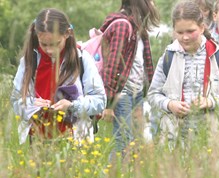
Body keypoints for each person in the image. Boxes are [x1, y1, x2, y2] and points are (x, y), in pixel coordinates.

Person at [147, 1, 219, 146]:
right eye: (180, 32)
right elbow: (152, 95)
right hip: (175, 141)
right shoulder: (168, 56)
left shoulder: (218, 56)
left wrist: (210, 102)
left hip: (212, 141)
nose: (185, 37)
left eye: (190, 31)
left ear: (201, 27)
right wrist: (170, 104)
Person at [11, 8, 106, 144]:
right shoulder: (29, 61)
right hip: (37, 139)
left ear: (67, 34)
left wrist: (72, 106)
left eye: (55, 44)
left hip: (74, 139)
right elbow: (16, 99)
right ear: (37, 36)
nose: (49, 50)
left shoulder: (82, 59)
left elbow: (100, 100)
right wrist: (31, 105)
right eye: (44, 44)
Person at [100, 0, 160, 157]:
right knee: (123, 140)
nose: (154, 5)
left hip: (137, 92)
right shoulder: (123, 25)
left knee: (137, 141)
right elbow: (112, 66)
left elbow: (145, 65)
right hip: (122, 93)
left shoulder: (139, 29)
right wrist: (109, 102)